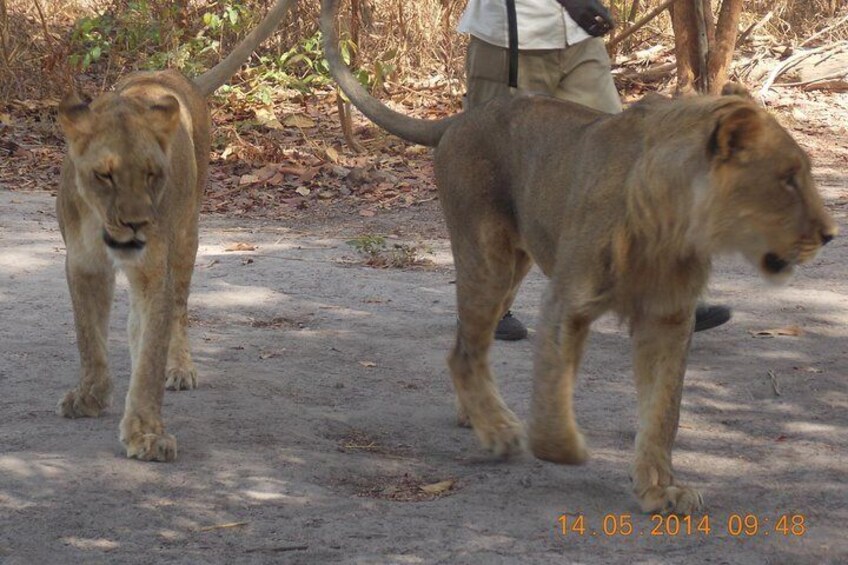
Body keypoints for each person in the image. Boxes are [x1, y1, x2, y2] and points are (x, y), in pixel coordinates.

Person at [457, 0, 732, 341]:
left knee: (621, 166)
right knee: (504, 181)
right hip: (511, 41)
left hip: (579, 39)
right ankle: (488, 304)